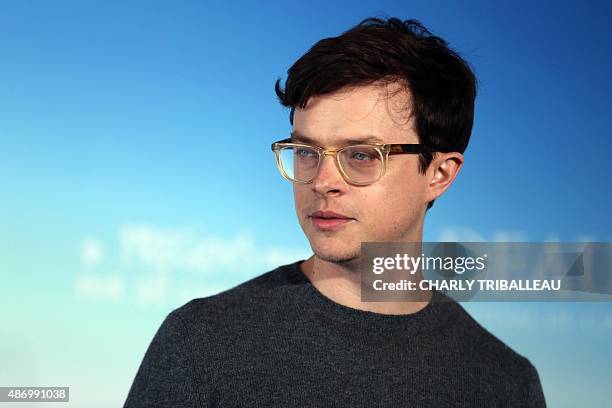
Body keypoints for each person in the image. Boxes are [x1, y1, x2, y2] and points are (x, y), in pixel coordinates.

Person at [124, 17, 546, 407]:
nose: (323, 179)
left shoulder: (507, 384)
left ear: (438, 173)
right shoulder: (199, 344)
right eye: (307, 151)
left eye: (361, 155)